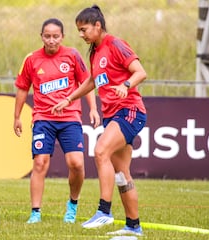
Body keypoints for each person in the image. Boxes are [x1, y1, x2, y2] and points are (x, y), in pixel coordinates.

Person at [52, 5, 147, 236]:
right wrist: (69, 98)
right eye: (79, 31)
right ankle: (134, 227)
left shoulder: (115, 44)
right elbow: (92, 81)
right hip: (113, 114)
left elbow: (140, 72)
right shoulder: (94, 51)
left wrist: (126, 85)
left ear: (97, 25)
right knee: (122, 174)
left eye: (84, 29)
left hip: (130, 111)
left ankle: (104, 211)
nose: (81, 35)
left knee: (101, 150)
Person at [13, 18, 100, 224]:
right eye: (47, 36)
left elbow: (86, 83)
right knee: (40, 163)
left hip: (70, 118)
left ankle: (72, 205)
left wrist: (94, 109)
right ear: (41, 36)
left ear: (62, 37)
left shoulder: (72, 55)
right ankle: (35, 213)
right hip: (43, 118)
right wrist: (16, 116)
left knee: (76, 164)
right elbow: (23, 88)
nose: (51, 40)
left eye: (55, 36)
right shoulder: (32, 60)